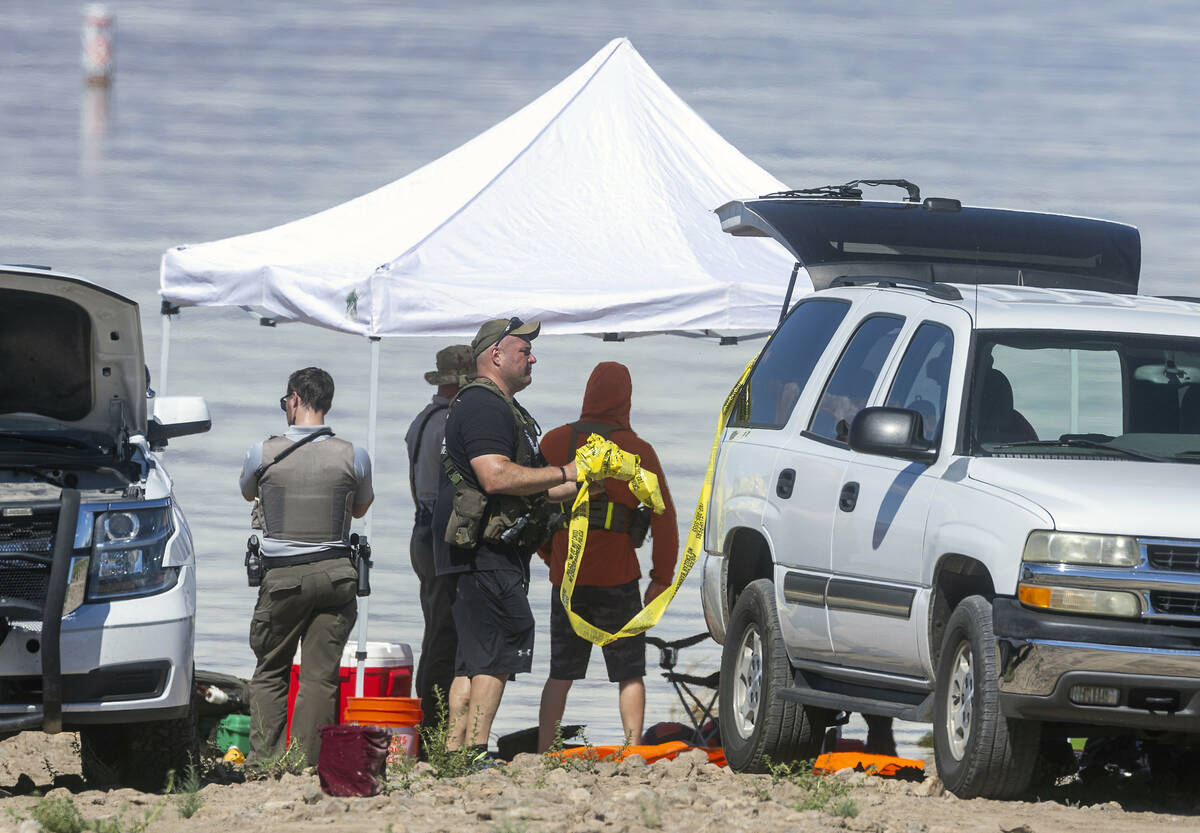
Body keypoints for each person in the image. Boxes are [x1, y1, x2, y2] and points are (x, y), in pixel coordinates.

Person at [431, 317, 580, 755]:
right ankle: (476, 752)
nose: (532, 357)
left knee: (473, 657)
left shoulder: (493, 405)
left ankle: (453, 753)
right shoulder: (485, 406)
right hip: (485, 554)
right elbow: (494, 477)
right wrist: (564, 471)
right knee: (500, 647)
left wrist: (582, 480)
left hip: (477, 554)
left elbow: (531, 481)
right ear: (495, 356)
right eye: (523, 350)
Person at [535, 361, 678, 752]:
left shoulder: (554, 442)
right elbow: (664, 519)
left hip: (568, 579)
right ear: (626, 398)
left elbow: (530, 507)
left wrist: (551, 555)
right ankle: (631, 750)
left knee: (560, 673)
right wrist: (661, 577)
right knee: (629, 673)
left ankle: (546, 750)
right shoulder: (639, 451)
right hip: (619, 578)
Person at [238, 367, 373, 765]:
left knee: (271, 670)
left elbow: (249, 493)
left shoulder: (262, 452)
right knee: (320, 678)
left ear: (294, 399)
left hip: (283, 579)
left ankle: (265, 762)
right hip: (336, 575)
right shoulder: (354, 454)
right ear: (327, 403)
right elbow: (361, 507)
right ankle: (304, 764)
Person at [405, 344, 474, 727]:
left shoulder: (423, 418)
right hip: (440, 531)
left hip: (422, 525)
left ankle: (430, 717)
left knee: (435, 623)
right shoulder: (451, 421)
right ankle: (435, 722)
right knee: (445, 629)